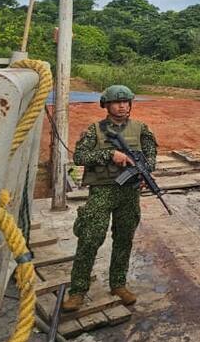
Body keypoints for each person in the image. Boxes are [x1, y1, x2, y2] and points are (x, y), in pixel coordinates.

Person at [62, 84, 158, 313]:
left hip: (129, 192)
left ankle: (118, 284)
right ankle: (77, 290)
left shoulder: (140, 128)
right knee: (90, 238)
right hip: (102, 191)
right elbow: (79, 157)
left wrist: (144, 172)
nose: (123, 106)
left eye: (126, 102)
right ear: (107, 105)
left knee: (124, 237)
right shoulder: (95, 130)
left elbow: (151, 156)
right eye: (117, 102)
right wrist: (109, 154)